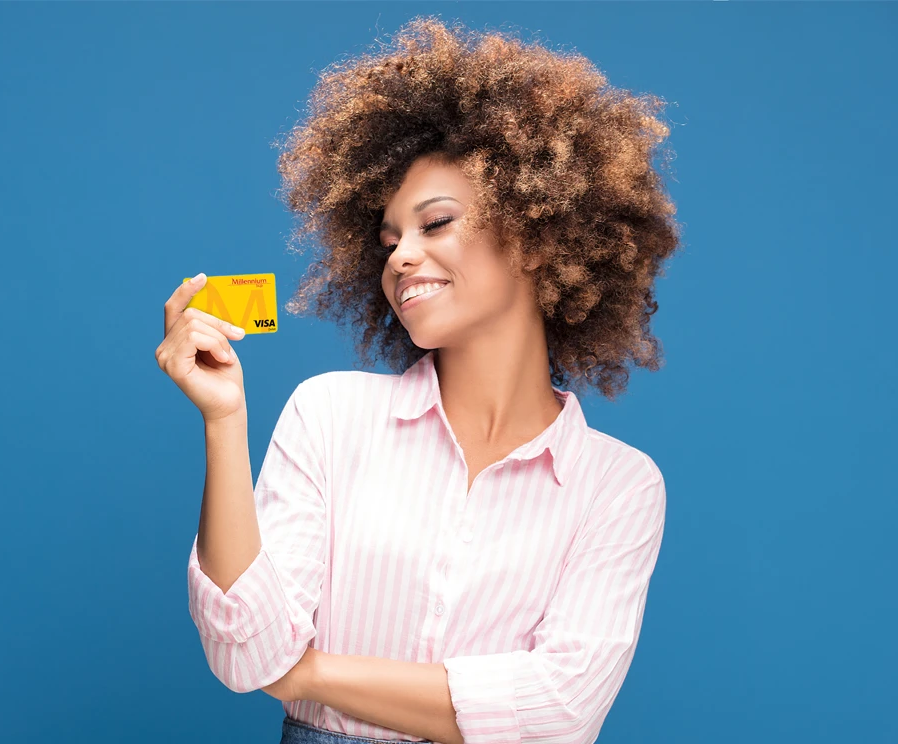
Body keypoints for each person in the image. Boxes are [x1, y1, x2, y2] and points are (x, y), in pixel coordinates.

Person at [156, 16, 682, 744]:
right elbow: (248, 653)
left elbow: (559, 709)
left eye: (435, 223)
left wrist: (307, 675)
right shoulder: (330, 414)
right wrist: (223, 420)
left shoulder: (620, 486)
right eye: (389, 238)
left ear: (535, 238)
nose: (401, 255)